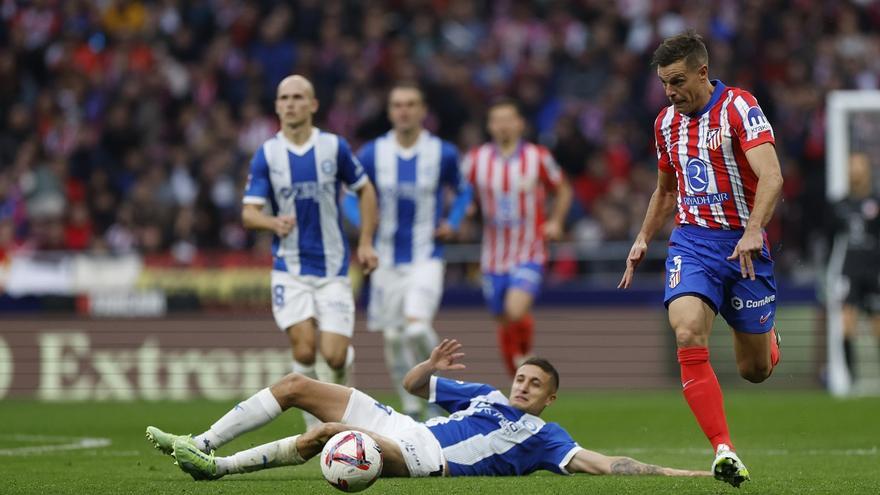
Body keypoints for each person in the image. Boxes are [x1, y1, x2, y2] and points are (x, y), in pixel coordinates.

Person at [146, 339, 710, 481]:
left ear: (549, 398)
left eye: (535, 385)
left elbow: (610, 464)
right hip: (405, 426)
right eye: (522, 378)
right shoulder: (487, 393)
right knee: (296, 384)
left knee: (332, 433)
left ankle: (217, 472)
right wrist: (429, 362)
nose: (523, 387)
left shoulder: (546, 436)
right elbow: (415, 385)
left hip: (428, 460)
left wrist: (692, 474)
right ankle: (204, 443)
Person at [618, 31, 783, 488]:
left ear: (702, 72)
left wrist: (753, 231)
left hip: (743, 246)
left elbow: (772, 176)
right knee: (687, 330)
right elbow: (667, 190)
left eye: (677, 81)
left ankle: (768, 340)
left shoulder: (740, 108)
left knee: (755, 371)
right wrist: (643, 238)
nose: (670, 93)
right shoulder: (665, 123)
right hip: (691, 243)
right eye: (664, 84)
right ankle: (724, 450)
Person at [241, 74, 379, 430]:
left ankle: (342, 383)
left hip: (333, 268)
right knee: (303, 351)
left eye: (298, 97)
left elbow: (365, 190)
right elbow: (249, 212)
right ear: (276, 106)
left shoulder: (334, 147)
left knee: (333, 355)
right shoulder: (267, 154)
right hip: (290, 268)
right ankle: (315, 427)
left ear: (313, 104)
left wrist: (364, 242)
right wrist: (272, 224)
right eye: (284, 97)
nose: (290, 103)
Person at [342, 83, 472, 419]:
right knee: (394, 336)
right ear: (389, 111)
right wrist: (365, 227)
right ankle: (412, 407)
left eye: (410, 104)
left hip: (426, 257)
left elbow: (463, 191)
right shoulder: (374, 153)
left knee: (415, 327)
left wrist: (453, 222)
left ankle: (438, 396)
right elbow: (348, 197)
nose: (403, 110)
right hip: (384, 259)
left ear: (422, 110)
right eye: (397, 104)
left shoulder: (441, 152)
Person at [460, 100, 573, 376]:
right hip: (493, 255)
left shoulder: (537, 157)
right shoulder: (476, 159)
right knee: (502, 319)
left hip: (529, 250)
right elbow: (461, 191)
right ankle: (518, 371)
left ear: (520, 123)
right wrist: (466, 209)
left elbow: (563, 189)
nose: (503, 125)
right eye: (497, 120)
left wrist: (555, 221)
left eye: (508, 119)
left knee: (515, 308)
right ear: (490, 126)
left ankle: (524, 358)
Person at [831, 152, 880, 384]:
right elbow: (831, 239)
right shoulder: (840, 205)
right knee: (847, 324)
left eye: (859, 165)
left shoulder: (876, 201)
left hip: (874, 271)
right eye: (851, 166)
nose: (855, 170)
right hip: (850, 270)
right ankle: (851, 381)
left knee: (877, 327)